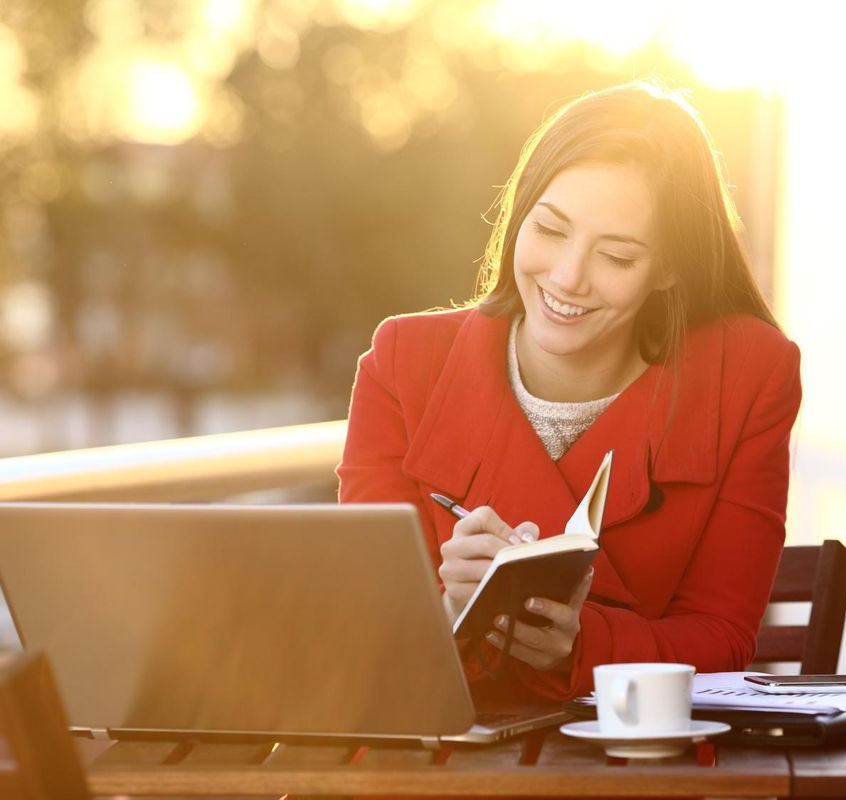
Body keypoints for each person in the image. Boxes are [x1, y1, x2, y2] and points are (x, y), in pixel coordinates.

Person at [336, 81, 801, 702]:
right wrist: (450, 607)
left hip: (627, 759)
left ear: (668, 269)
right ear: (519, 213)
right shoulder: (403, 362)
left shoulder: (747, 375)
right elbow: (359, 635)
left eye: (616, 256)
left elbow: (723, 639)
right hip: (429, 761)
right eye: (550, 230)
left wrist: (585, 644)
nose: (566, 277)